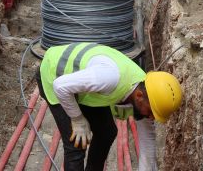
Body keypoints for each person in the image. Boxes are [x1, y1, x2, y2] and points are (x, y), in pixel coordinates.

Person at [36, 42, 183, 171]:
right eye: (152, 112)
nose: (152, 117)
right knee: (77, 143)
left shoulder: (146, 90)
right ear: (139, 96)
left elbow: (147, 140)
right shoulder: (108, 78)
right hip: (54, 75)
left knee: (107, 132)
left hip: (81, 86)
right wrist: (78, 119)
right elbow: (60, 86)